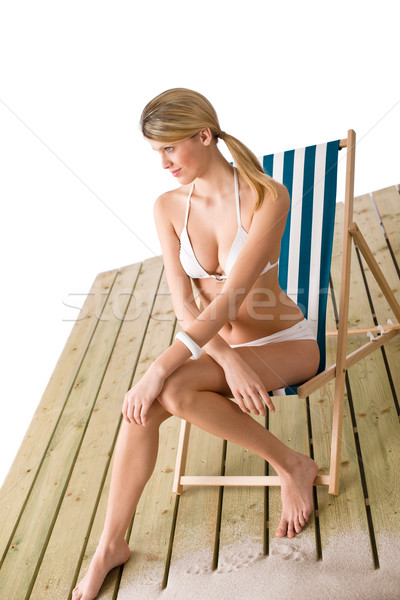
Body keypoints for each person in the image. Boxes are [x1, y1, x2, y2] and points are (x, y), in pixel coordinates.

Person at [72, 88, 320, 600]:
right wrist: (226, 359)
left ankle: (292, 464)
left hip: (284, 341)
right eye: (155, 152)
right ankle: (109, 546)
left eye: (169, 148)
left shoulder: (266, 196)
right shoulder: (166, 206)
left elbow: (229, 300)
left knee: (169, 389)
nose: (162, 163)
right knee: (143, 408)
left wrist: (157, 367)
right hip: (220, 350)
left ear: (204, 136)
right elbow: (183, 301)